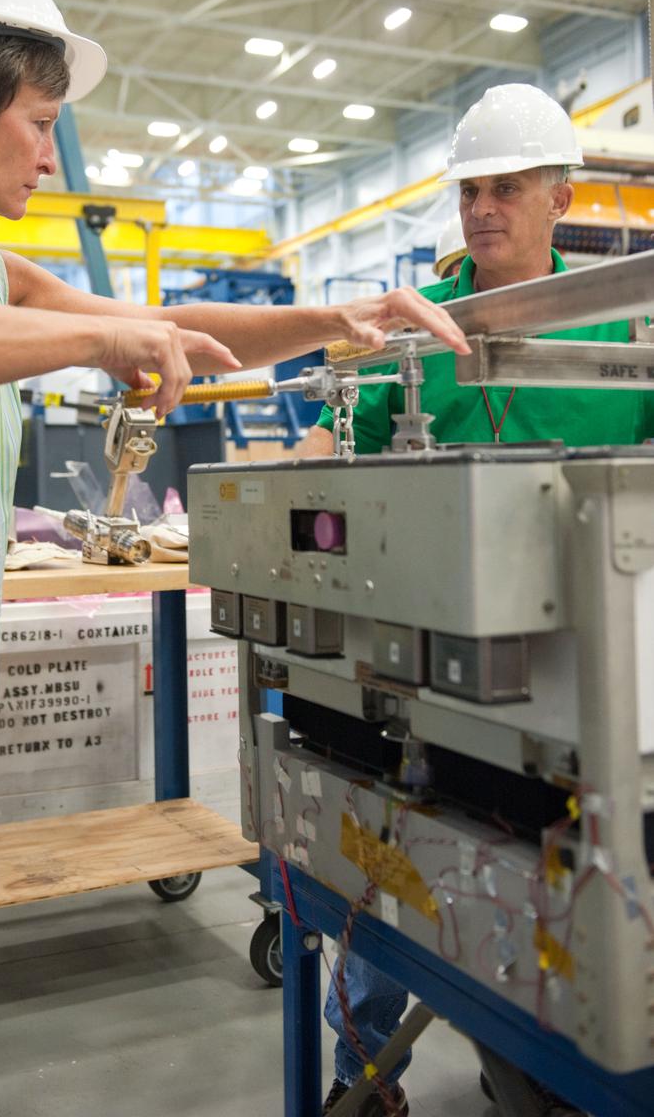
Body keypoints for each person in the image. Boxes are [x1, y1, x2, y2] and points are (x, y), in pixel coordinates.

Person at [0, 0, 468, 1117]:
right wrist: (93, 343)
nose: (49, 150)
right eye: (39, 120)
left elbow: (163, 318)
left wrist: (338, 318)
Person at [301, 82, 654, 1117]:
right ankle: (364, 1072)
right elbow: (338, 445)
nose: (481, 209)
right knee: (386, 861)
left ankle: (557, 1045)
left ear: (558, 198)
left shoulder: (618, 330)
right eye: (468, 192)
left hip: (581, 661)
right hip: (420, 655)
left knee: (563, 861)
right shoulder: (410, 329)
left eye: (505, 189)